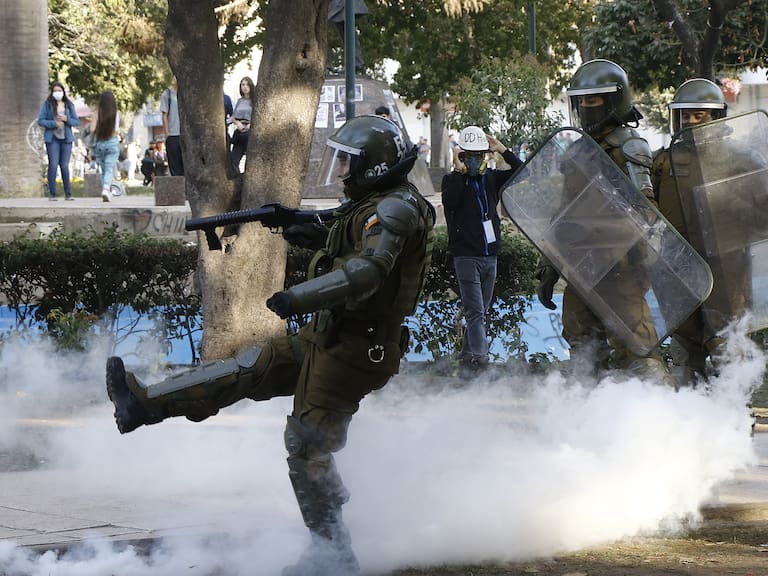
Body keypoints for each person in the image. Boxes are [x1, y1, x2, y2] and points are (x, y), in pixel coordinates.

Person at [105, 114, 435, 576]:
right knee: (249, 367)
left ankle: (333, 555)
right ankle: (143, 404)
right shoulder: (372, 203)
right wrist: (301, 228)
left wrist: (297, 297)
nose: (340, 171)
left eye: (347, 163)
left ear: (373, 167)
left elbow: (367, 272)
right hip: (328, 333)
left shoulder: (396, 209)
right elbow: (343, 236)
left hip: (358, 349)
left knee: (307, 445)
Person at [535, 59, 672, 383]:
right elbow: (564, 211)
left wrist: (631, 250)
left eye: (593, 99)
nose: (585, 107)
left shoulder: (629, 147)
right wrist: (549, 264)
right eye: (581, 100)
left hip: (620, 266)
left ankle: (660, 410)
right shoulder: (578, 150)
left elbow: (646, 211)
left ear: (614, 100)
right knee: (582, 345)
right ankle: (593, 410)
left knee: (636, 347)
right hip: (582, 265)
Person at [652, 79, 745, 386]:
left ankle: (730, 409)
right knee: (684, 351)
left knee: (726, 349)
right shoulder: (662, 162)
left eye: (698, 114)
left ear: (715, 117)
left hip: (726, 270)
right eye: (685, 114)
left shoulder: (741, 159)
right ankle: (689, 411)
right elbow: (642, 210)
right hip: (678, 269)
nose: (690, 121)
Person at [441, 126, 522, 376]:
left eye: (480, 155)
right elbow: (450, 202)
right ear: (462, 155)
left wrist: (502, 150)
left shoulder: (491, 179)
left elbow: (522, 171)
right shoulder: (452, 181)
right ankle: (481, 361)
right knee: (475, 312)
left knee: (480, 312)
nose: (475, 160)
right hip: (466, 256)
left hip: (490, 255)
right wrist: (458, 171)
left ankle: (467, 361)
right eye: (469, 155)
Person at [37, 82, 81, 201]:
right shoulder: (47, 104)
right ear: (52, 92)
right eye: (55, 90)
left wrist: (67, 119)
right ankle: (52, 193)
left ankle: (68, 193)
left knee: (65, 166)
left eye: (59, 90)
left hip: (66, 139)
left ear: (63, 92)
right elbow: (41, 120)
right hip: (52, 139)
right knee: (53, 164)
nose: (57, 92)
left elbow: (76, 121)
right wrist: (54, 124)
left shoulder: (69, 105)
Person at [91, 91, 121, 203]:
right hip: (112, 142)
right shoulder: (117, 113)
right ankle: (106, 189)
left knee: (104, 170)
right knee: (109, 169)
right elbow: (117, 130)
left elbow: (92, 129)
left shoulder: (97, 113)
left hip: (100, 143)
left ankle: (106, 190)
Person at [327, 0, 368, 72]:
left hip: (343, 4)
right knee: (345, 29)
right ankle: (355, 62)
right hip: (339, 4)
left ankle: (355, 62)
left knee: (347, 29)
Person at [229, 76, 255, 173]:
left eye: (247, 84)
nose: (245, 87)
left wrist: (251, 124)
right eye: (243, 85)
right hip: (240, 132)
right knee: (233, 160)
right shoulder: (240, 101)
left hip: (250, 133)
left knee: (250, 162)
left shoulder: (255, 100)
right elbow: (233, 117)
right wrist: (237, 123)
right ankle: (238, 178)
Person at [160, 78, 184, 176]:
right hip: (173, 135)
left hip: (186, 135)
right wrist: (167, 134)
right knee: (175, 168)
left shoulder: (187, 93)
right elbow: (164, 115)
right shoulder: (168, 94)